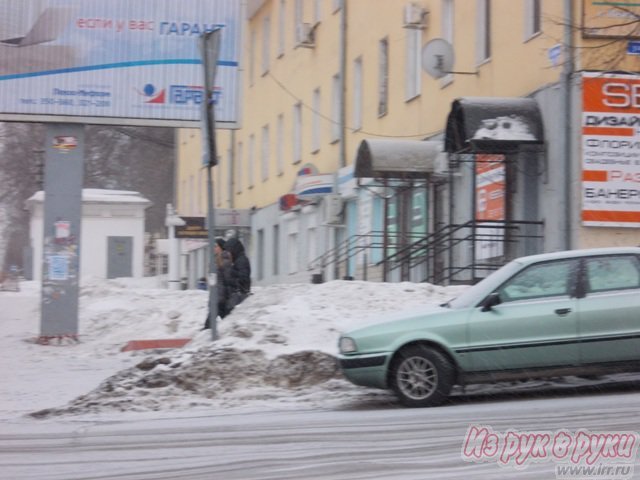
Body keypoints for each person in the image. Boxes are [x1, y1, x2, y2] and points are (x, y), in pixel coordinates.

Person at [203, 238, 234, 329]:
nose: (214, 248)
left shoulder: (224, 259)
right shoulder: (216, 260)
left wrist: (228, 295)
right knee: (226, 322)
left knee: (209, 325)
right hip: (217, 296)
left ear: (221, 247)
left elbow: (228, 278)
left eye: (216, 246)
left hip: (221, 297)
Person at [224, 237, 251, 315]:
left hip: (240, 296)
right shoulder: (238, 260)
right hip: (237, 296)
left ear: (234, 250)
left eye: (229, 251)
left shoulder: (241, 260)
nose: (228, 254)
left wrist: (230, 273)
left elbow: (243, 278)